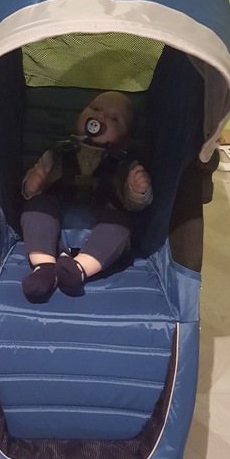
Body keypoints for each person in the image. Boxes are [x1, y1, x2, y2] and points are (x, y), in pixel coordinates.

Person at [21, 90, 153, 301]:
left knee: (122, 224)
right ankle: (45, 266)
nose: (100, 117)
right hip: (53, 230)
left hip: (101, 236)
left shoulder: (126, 165)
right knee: (36, 207)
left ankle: (78, 269)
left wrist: (139, 191)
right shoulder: (56, 153)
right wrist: (32, 184)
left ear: (125, 139)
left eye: (114, 119)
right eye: (96, 108)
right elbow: (30, 191)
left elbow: (133, 205)